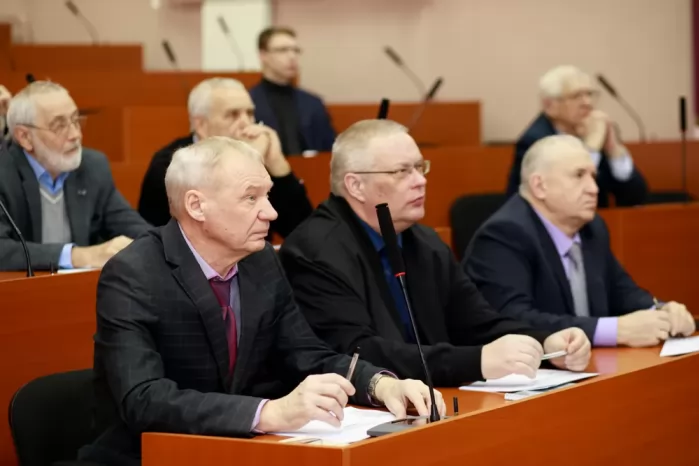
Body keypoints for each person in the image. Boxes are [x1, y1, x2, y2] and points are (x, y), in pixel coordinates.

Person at [79, 137, 445, 466]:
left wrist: (380, 384)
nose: (271, 212)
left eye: (268, 195)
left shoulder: (261, 260)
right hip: (147, 457)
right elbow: (144, 399)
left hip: (240, 451)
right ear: (197, 205)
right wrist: (269, 413)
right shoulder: (134, 273)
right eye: (251, 197)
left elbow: (305, 353)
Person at [278, 120, 591, 387]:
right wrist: (477, 361)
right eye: (402, 171)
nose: (421, 181)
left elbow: (478, 324)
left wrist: (545, 343)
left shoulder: (424, 242)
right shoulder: (315, 250)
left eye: (420, 167)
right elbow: (357, 353)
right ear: (356, 185)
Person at [465, 135, 695, 347]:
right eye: (578, 175)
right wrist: (615, 330)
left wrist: (661, 310)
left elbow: (622, 291)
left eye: (593, 176)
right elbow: (513, 320)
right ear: (539, 186)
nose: (594, 189)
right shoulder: (504, 235)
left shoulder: (592, 227)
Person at [0, 81, 150, 271]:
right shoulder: (4, 173)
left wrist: (161, 245)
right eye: (59, 126)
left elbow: (132, 226)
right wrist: (77, 255)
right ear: (25, 137)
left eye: (75, 120)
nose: (75, 134)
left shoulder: (92, 167)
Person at [138, 78, 312, 237]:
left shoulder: (256, 151)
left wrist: (278, 165)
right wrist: (245, 164)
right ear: (201, 125)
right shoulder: (170, 166)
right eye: (233, 115)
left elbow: (303, 233)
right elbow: (218, 233)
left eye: (250, 113)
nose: (246, 123)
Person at [505, 65, 647, 208]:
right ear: (549, 105)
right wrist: (591, 147)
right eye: (576, 96)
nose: (587, 103)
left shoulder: (593, 130)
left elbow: (635, 198)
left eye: (589, 94)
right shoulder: (534, 141)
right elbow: (561, 199)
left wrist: (613, 149)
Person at [249, 26, 336, 156]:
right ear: (263, 55)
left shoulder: (313, 103)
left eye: (296, 50)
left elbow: (330, 150)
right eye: (283, 50)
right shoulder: (249, 102)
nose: (292, 56)